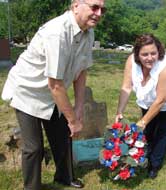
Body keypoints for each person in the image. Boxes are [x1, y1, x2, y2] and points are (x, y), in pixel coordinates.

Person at [1, 0, 106, 189]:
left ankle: (64, 177)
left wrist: (79, 106)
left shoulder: (89, 32)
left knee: (63, 136)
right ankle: (32, 187)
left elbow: (82, 71)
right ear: (76, 6)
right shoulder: (56, 33)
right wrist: (73, 120)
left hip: (54, 94)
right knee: (33, 147)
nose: (99, 13)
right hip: (28, 92)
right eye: (94, 7)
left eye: (102, 9)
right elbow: (55, 84)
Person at [115, 34, 166, 179]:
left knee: (162, 131)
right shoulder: (131, 61)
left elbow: (161, 100)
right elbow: (126, 86)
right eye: (144, 54)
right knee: (148, 130)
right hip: (149, 100)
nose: (149, 58)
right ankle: (141, 156)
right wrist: (120, 111)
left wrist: (142, 122)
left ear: (159, 52)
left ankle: (154, 166)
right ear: (137, 54)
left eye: (153, 53)